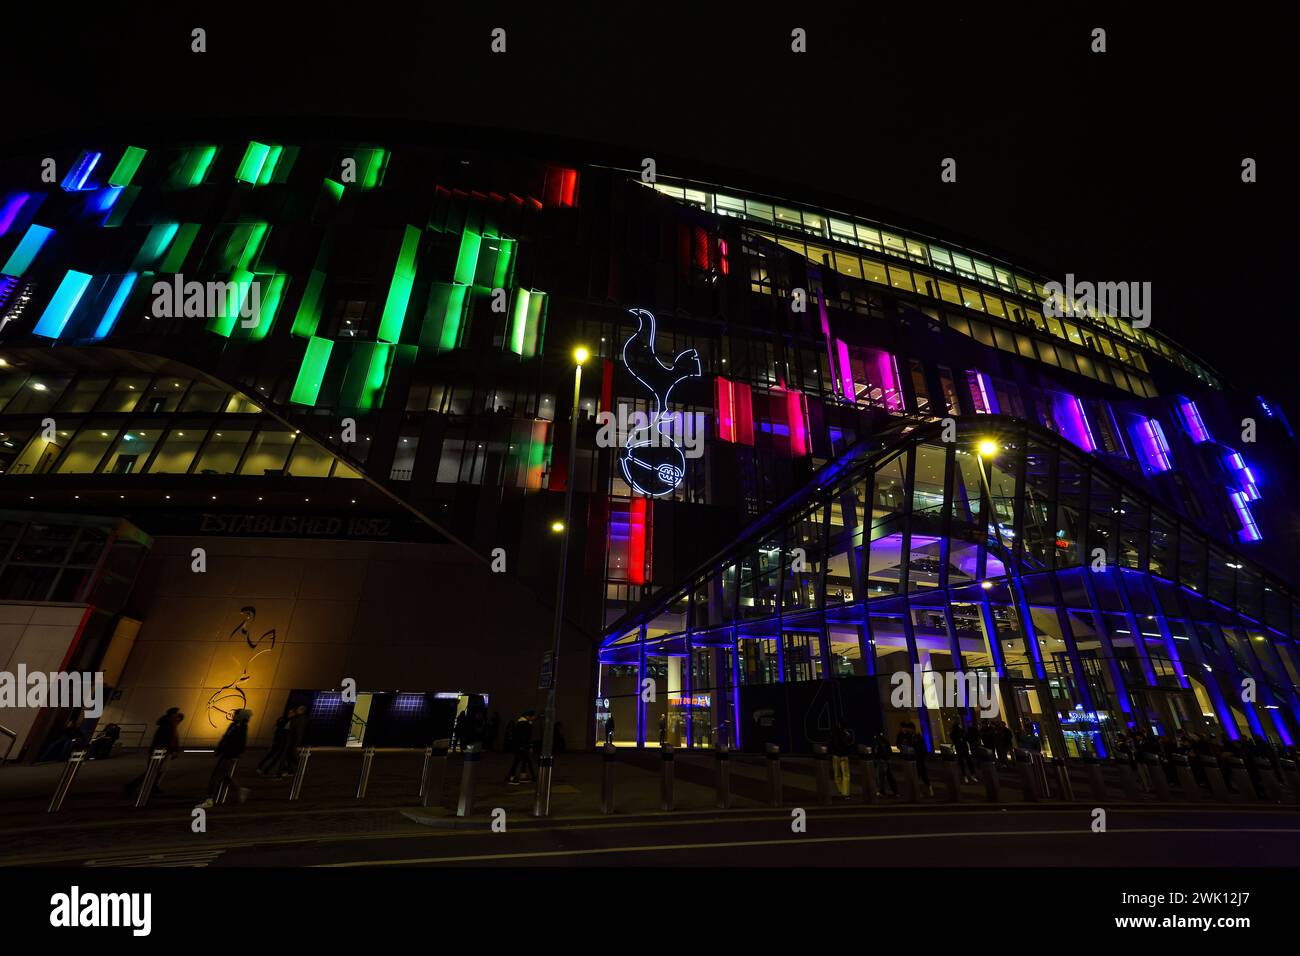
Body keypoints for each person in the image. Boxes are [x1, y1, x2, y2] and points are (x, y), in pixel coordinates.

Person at [124, 709, 183, 798]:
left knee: (157, 770)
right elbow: (168, 739)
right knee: (153, 770)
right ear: (172, 715)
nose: (177, 716)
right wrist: (172, 750)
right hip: (160, 750)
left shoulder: (169, 724)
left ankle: (152, 786)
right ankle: (132, 786)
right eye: (176, 714)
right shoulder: (167, 726)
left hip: (161, 750)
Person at [201, 709, 251, 808]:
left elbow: (236, 742)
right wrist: (220, 749)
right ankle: (239, 789)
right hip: (227, 753)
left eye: (236, 714)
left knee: (216, 776)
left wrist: (226, 750)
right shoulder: (235, 725)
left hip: (229, 754)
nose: (233, 716)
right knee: (223, 775)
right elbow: (226, 738)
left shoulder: (241, 727)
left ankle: (210, 799)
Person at [256, 709, 291, 775]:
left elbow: (276, 729)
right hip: (280, 741)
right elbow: (280, 731)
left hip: (279, 740)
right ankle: (263, 768)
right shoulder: (287, 721)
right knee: (274, 756)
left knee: (273, 755)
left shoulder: (282, 719)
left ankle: (261, 767)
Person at [506, 711, 536, 785]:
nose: (533, 718)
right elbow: (525, 737)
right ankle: (511, 778)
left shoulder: (521, 723)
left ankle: (522, 776)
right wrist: (527, 746)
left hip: (520, 746)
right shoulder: (525, 724)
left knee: (524, 761)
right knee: (517, 762)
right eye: (532, 716)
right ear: (528, 716)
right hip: (521, 746)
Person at [830, 724, 855, 797]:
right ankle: (846, 792)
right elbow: (850, 743)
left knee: (837, 774)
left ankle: (841, 790)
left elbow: (830, 744)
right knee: (846, 774)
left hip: (836, 756)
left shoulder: (833, 734)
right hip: (844, 756)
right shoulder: (846, 734)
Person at [872, 729, 897, 796]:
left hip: (881, 761)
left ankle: (882, 791)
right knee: (888, 776)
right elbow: (889, 751)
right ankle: (895, 791)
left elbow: (876, 752)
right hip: (885, 760)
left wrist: (876, 760)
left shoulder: (877, 742)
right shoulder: (884, 741)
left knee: (881, 777)